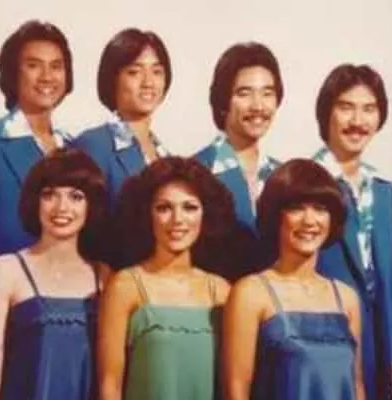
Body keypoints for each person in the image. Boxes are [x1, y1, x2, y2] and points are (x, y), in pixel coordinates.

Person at [0, 20, 74, 370]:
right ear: (12, 73)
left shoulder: (73, 147)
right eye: (33, 65)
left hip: (66, 318)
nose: (47, 76)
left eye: (56, 66)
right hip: (5, 319)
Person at [0, 148, 111, 400]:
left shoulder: (104, 276)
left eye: (76, 197)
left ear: (91, 206)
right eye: (50, 195)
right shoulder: (6, 270)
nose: (61, 207)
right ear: (35, 201)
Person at [223, 159, 364, 400]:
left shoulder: (346, 298)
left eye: (320, 208)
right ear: (276, 215)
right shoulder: (251, 293)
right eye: (296, 208)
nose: (309, 221)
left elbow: (357, 387)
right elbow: (236, 390)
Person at [98, 156, 232, 400]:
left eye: (189, 207)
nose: (177, 219)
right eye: (164, 208)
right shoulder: (126, 285)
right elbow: (110, 385)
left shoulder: (221, 291)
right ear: (146, 214)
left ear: (207, 214)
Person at [312, 64, 392, 400]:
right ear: (327, 113)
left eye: (369, 109)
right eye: (346, 107)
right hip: (325, 340)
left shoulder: (383, 189)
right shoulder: (307, 182)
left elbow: (389, 280)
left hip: (379, 345)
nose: (358, 120)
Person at [194, 42, 285, 278]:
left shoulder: (284, 176)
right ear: (223, 101)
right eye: (244, 93)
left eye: (267, 93)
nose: (258, 105)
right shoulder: (195, 172)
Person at [73, 27, 172, 208]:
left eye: (157, 72)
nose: (148, 83)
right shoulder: (93, 146)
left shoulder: (164, 155)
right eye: (134, 72)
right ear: (113, 79)